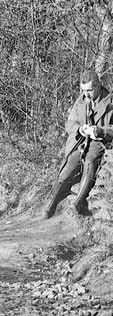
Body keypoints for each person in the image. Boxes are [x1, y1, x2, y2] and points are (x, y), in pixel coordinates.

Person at [44, 69, 113, 218]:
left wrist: (100, 130)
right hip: (81, 140)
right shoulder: (81, 101)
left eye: (90, 90)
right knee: (70, 165)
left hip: (100, 142)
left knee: (90, 161)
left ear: (99, 86)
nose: (86, 94)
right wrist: (80, 129)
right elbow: (70, 124)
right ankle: (49, 207)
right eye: (84, 90)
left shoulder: (110, 101)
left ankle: (77, 204)